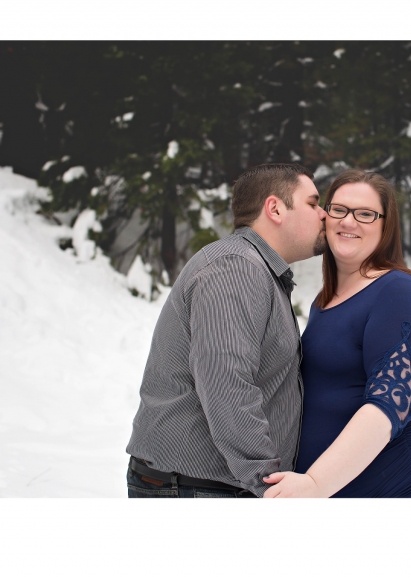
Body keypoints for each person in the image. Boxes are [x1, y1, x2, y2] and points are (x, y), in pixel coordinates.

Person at [126, 163, 327, 498]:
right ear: (275, 208)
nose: (324, 214)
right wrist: (269, 485)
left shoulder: (256, 270)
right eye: (312, 203)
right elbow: (227, 385)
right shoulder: (236, 269)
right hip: (196, 489)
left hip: (208, 486)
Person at [263, 169, 411, 497]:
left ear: (385, 225)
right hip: (340, 489)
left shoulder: (398, 291)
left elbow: (390, 402)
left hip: (396, 487)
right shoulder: (326, 300)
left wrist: (315, 483)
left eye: (365, 214)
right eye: (339, 210)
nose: (349, 222)